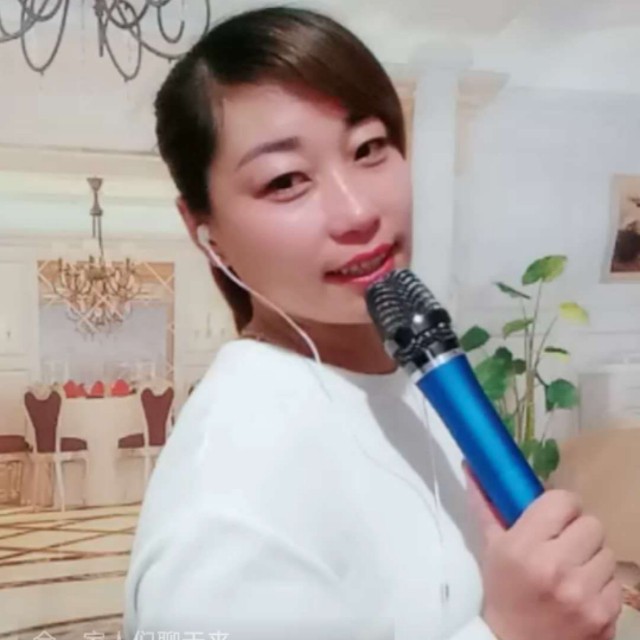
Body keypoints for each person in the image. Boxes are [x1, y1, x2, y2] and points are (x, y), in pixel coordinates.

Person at [124, 7, 622, 640]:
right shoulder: (224, 495)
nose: (358, 211)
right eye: (286, 181)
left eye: (368, 148)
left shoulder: (412, 373)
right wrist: (511, 632)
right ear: (205, 230)